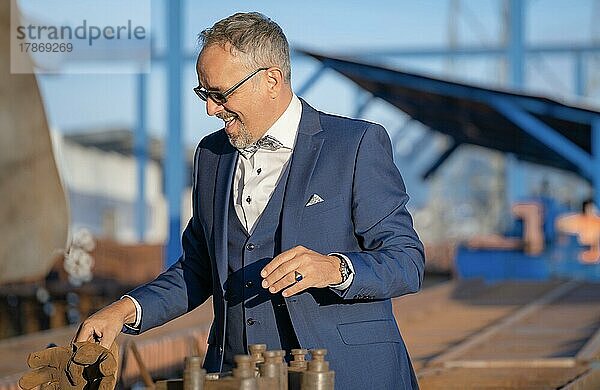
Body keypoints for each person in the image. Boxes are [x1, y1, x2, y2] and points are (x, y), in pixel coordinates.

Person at [74, 12, 425, 389]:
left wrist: (332, 268)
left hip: (348, 373)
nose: (210, 109)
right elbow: (198, 268)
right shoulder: (211, 156)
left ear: (271, 80)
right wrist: (124, 310)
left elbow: (406, 261)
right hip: (236, 375)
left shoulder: (355, 145)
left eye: (220, 94)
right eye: (203, 94)